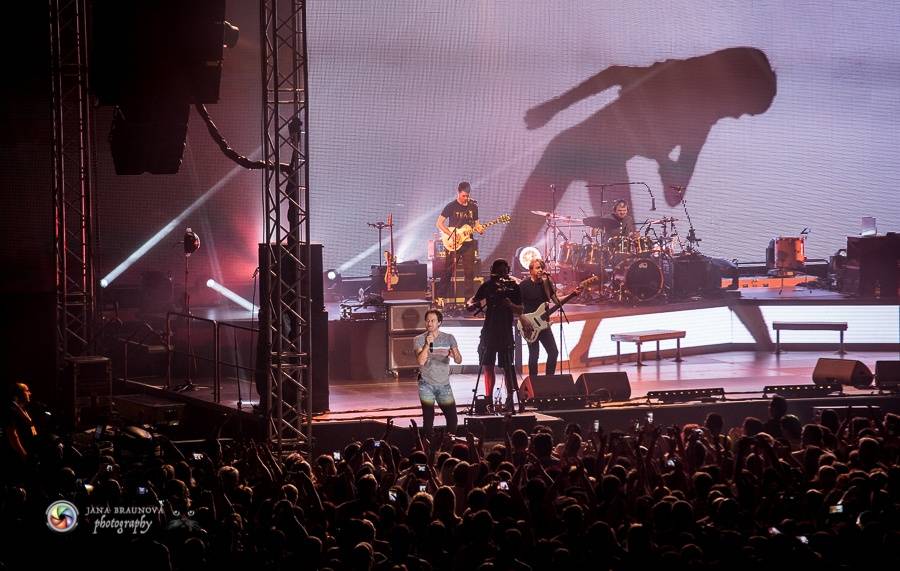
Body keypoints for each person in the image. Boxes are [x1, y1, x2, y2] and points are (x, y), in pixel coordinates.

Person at [467, 259, 523, 413]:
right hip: (489, 331)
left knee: (508, 367)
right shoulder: (488, 286)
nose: (501, 274)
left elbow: (521, 309)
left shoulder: (513, 287)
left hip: (505, 332)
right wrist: (471, 304)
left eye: (504, 271)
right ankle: (488, 400)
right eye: (498, 271)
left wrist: (510, 305)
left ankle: (510, 399)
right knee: (488, 366)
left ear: (508, 271)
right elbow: (473, 300)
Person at [519, 258, 582, 380]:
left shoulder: (546, 283)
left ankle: (549, 380)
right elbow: (518, 305)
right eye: (537, 268)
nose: (541, 270)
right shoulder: (524, 285)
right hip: (529, 325)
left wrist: (572, 294)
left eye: (542, 267)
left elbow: (556, 300)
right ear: (530, 270)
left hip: (544, 324)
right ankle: (534, 382)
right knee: (534, 354)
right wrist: (523, 321)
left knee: (553, 352)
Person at [414, 309, 462, 435]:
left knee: (452, 419)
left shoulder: (449, 338)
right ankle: (429, 450)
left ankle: (447, 447)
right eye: (427, 321)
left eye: (433, 321)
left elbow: (458, 360)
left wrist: (454, 354)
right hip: (426, 384)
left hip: (444, 385)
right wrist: (426, 345)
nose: (429, 323)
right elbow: (420, 361)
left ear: (439, 322)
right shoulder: (418, 339)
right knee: (428, 420)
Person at [436, 181, 483, 299]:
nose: (465, 198)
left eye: (467, 196)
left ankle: (469, 301)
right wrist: (451, 234)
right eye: (463, 196)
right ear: (458, 193)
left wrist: (480, 229)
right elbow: (439, 223)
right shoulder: (451, 206)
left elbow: (477, 224)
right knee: (448, 270)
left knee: (469, 272)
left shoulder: (473, 207)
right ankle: (440, 298)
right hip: (453, 243)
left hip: (468, 243)